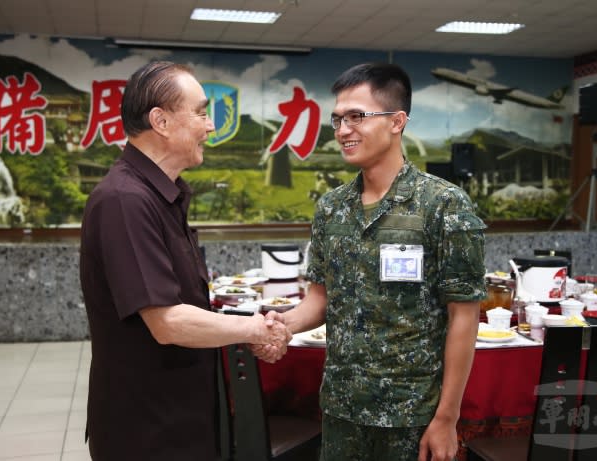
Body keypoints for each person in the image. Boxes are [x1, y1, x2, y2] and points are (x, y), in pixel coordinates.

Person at [255, 62, 486, 461]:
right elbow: (319, 301)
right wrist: (278, 326)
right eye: (338, 119)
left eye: (357, 117)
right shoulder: (331, 209)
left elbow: (464, 316)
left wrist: (447, 418)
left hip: (411, 415)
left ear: (397, 121)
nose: (344, 130)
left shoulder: (443, 204)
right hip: (343, 411)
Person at [79, 61, 291, 461]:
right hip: (147, 430)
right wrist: (255, 329)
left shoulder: (162, 194)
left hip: (179, 416)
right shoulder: (125, 201)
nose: (210, 126)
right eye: (200, 112)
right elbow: (167, 321)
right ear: (160, 120)